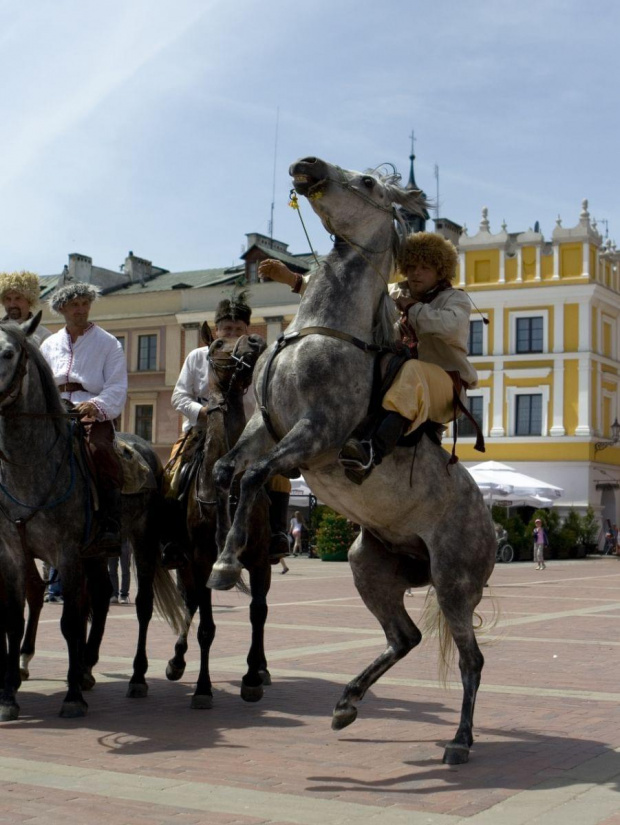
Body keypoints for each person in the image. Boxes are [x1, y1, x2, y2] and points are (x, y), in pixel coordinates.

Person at [260, 232, 479, 484]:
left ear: (441, 271)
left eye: (425, 268)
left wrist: (410, 306)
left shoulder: (456, 299)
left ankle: (371, 451)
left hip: (447, 388)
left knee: (412, 370)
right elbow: (347, 292)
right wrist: (294, 279)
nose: (416, 273)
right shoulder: (395, 291)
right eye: (412, 267)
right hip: (400, 379)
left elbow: (449, 326)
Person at [169, 293, 289, 564]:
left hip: (248, 436)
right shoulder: (197, 356)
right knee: (173, 475)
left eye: (238, 329)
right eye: (226, 328)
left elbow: (268, 399)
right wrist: (202, 412)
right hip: (200, 432)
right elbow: (178, 396)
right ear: (216, 330)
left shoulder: (261, 360)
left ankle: (278, 534)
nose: (232, 333)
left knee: (279, 474)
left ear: (247, 330)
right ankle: (173, 539)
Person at [41, 283, 128, 557]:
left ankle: (110, 523)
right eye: (74, 304)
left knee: (99, 450)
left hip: (91, 410)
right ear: (62, 309)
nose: (80, 309)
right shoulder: (49, 344)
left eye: (84, 303)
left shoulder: (108, 342)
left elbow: (117, 386)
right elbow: (41, 385)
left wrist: (96, 404)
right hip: (54, 411)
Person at [0, 270, 52, 344]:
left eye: (18, 298)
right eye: (8, 299)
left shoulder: (44, 336)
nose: (12, 304)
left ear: (29, 301)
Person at [109, 539, 131, 603]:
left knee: (125, 570)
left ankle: (124, 595)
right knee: (112, 570)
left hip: (125, 540)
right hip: (111, 541)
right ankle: (114, 594)